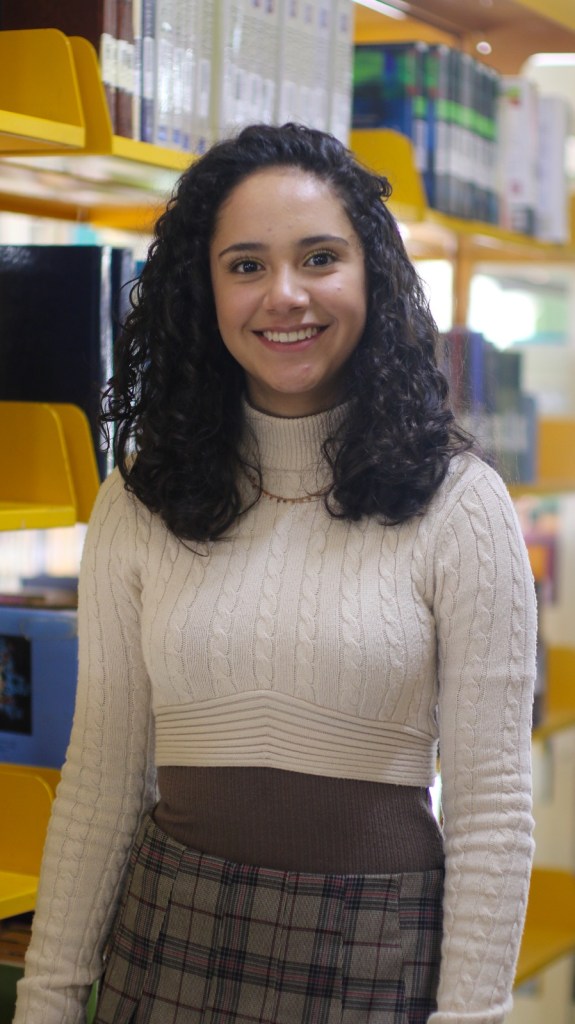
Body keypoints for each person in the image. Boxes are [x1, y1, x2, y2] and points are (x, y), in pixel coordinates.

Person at [14, 122, 536, 1024]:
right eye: (246, 265)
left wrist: (471, 1017)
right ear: (202, 290)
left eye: (320, 258)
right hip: (166, 943)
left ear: (370, 275)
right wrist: (48, 1001)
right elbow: (102, 779)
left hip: (378, 951)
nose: (284, 296)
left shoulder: (461, 504)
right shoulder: (139, 500)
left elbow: (491, 810)